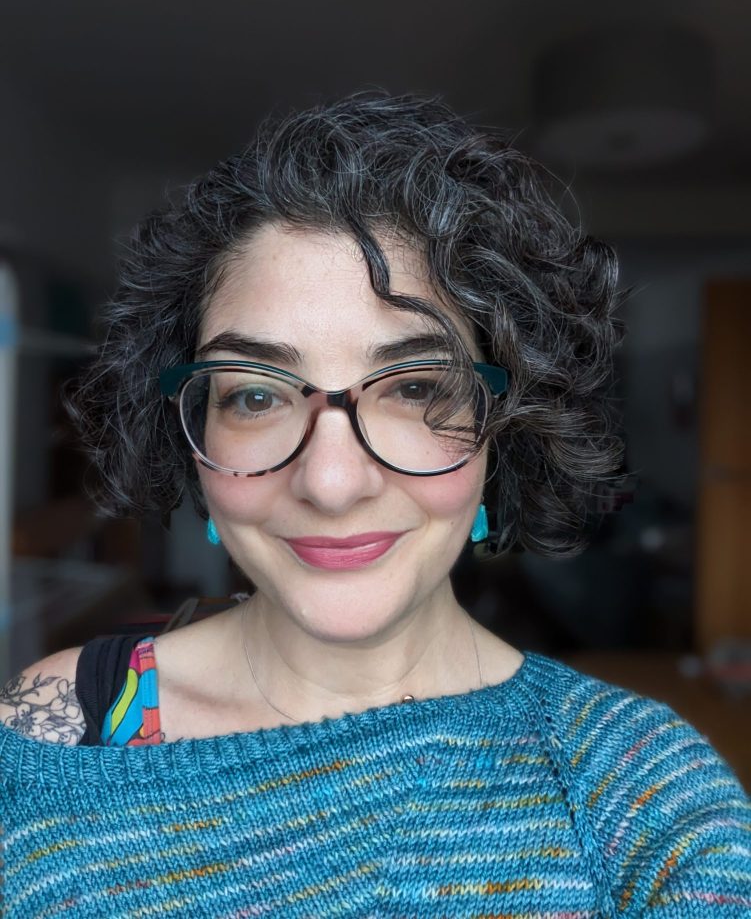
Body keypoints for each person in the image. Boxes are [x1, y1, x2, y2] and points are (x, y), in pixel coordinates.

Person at [1, 92, 749, 917]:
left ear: (505, 425)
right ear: (189, 433)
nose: (330, 482)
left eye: (418, 387)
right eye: (254, 395)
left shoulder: (638, 796)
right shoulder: (57, 732)